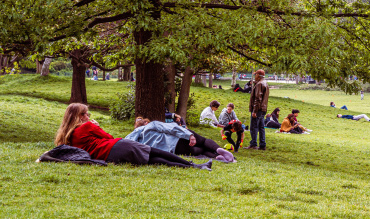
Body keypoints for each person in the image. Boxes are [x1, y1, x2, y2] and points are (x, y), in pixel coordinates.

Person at [55, 104, 209, 169]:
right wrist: (96, 127)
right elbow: (109, 137)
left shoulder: (68, 137)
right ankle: (195, 166)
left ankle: (194, 166)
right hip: (116, 146)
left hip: (109, 156)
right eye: (85, 114)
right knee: (156, 153)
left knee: (152, 161)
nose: (88, 116)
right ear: (79, 116)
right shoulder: (88, 126)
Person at [128, 117, 234, 162]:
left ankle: (218, 157)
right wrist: (188, 135)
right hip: (179, 138)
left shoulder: (135, 141)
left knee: (200, 151)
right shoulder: (151, 125)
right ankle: (219, 149)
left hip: (176, 149)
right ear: (146, 123)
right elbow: (170, 128)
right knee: (204, 141)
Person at [247, 69, 270, 150]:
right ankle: (262, 145)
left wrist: (254, 111)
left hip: (258, 109)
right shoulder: (265, 83)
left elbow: (258, 98)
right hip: (263, 109)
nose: (255, 76)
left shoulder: (260, 84)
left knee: (254, 127)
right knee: (261, 127)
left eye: (256, 74)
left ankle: (253, 144)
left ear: (259, 75)